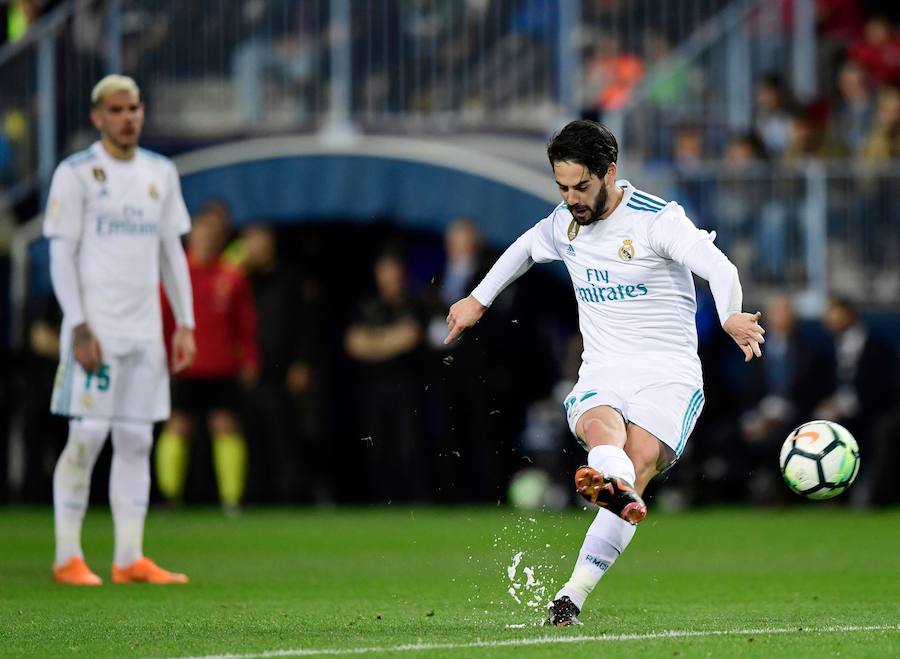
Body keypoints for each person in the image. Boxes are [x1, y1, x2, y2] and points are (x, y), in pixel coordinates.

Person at [444, 120, 764, 626]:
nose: (571, 198)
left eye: (581, 187)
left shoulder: (657, 220)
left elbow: (720, 268)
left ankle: (576, 583)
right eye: (562, 187)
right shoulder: (564, 225)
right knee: (602, 430)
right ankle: (592, 541)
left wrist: (729, 315)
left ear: (609, 173)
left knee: (632, 466)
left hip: (669, 374)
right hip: (604, 367)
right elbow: (525, 249)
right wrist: (477, 301)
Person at [45, 74, 195, 586]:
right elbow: (61, 254)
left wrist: (185, 323)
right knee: (86, 436)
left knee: (136, 441)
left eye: (133, 108)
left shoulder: (160, 172)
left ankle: (129, 557)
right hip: (98, 333)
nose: (127, 117)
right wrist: (79, 324)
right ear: (97, 117)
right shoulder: (77, 173)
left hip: (146, 334)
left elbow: (171, 253)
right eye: (116, 110)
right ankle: (68, 556)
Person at [156, 206, 258, 515]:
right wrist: (161, 358)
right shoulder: (176, 274)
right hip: (185, 366)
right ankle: (168, 497)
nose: (208, 239)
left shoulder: (231, 276)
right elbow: (162, 320)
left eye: (214, 234)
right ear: (191, 236)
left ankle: (231, 500)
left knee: (225, 427)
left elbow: (246, 322)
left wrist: (250, 358)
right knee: (177, 427)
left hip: (222, 365)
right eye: (203, 232)